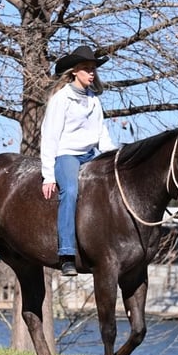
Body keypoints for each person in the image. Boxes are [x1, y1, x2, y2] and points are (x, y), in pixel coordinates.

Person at [40, 45, 116, 276]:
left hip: (91, 155)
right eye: (86, 68)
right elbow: (50, 135)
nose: (91, 73)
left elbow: (102, 135)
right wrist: (48, 175)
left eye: (93, 69)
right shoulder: (61, 99)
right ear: (74, 71)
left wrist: (114, 158)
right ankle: (66, 254)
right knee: (71, 191)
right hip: (67, 155)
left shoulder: (93, 100)